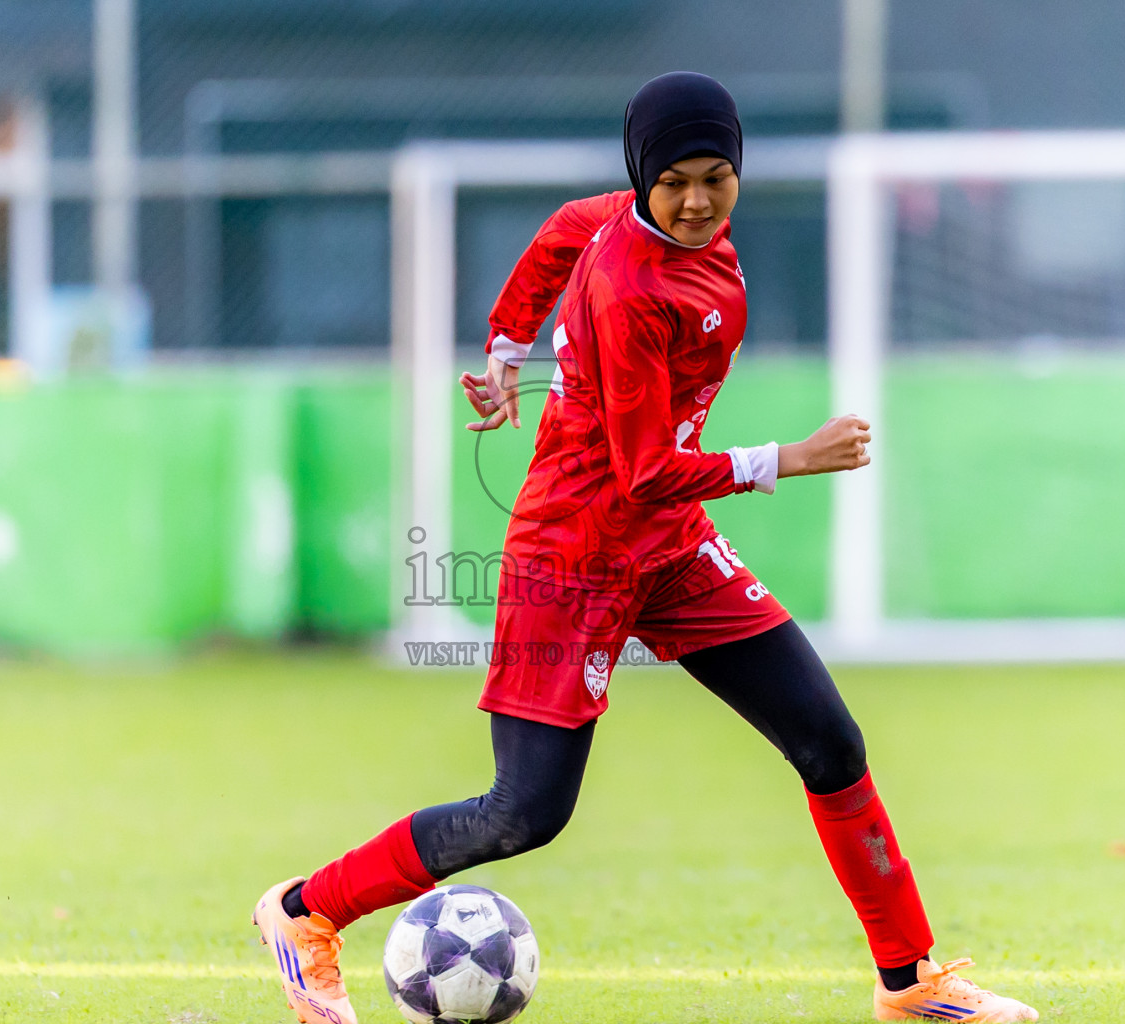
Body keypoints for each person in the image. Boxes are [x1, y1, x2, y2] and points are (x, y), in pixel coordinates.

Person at [252, 74, 1038, 1023]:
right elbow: (641, 472)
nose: (698, 200)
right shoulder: (631, 288)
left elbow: (554, 235)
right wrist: (790, 458)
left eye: (716, 177)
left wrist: (506, 352)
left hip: (669, 551)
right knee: (523, 814)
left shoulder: (629, 221)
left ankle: (910, 981)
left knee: (829, 741)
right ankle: (304, 913)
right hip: (576, 556)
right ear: (643, 178)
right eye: (674, 183)